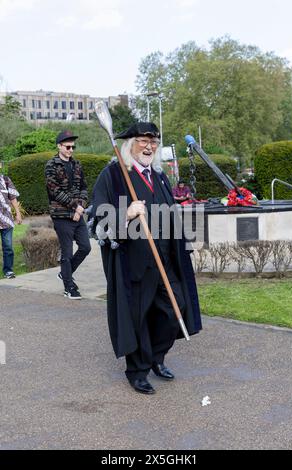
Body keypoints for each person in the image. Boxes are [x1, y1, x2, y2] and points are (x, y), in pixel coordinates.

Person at [91, 122, 202, 395]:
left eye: (154, 141)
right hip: (134, 265)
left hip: (165, 260)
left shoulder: (160, 176)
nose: (150, 146)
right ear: (129, 144)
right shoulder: (114, 176)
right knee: (137, 318)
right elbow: (96, 223)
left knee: (175, 310)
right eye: (143, 140)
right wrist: (124, 214)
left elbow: (171, 215)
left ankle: (156, 357)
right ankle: (138, 371)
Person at [45, 130, 91, 299]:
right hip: (61, 215)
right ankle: (69, 287)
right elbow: (54, 191)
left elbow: (84, 188)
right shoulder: (51, 165)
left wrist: (81, 206)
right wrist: (76, 207)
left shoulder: (77, 164)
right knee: (67, 252)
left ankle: (65, 273)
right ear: (59, 146)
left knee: (86, 247)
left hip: (77, 213)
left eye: (73, 147)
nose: (71, 150)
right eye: (68, 147)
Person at [0, 173, 22, 278]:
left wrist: (18, 213)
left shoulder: (5, 179)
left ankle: (8, 270)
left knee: (8, 247)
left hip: (6, 220)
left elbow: (13, 198)